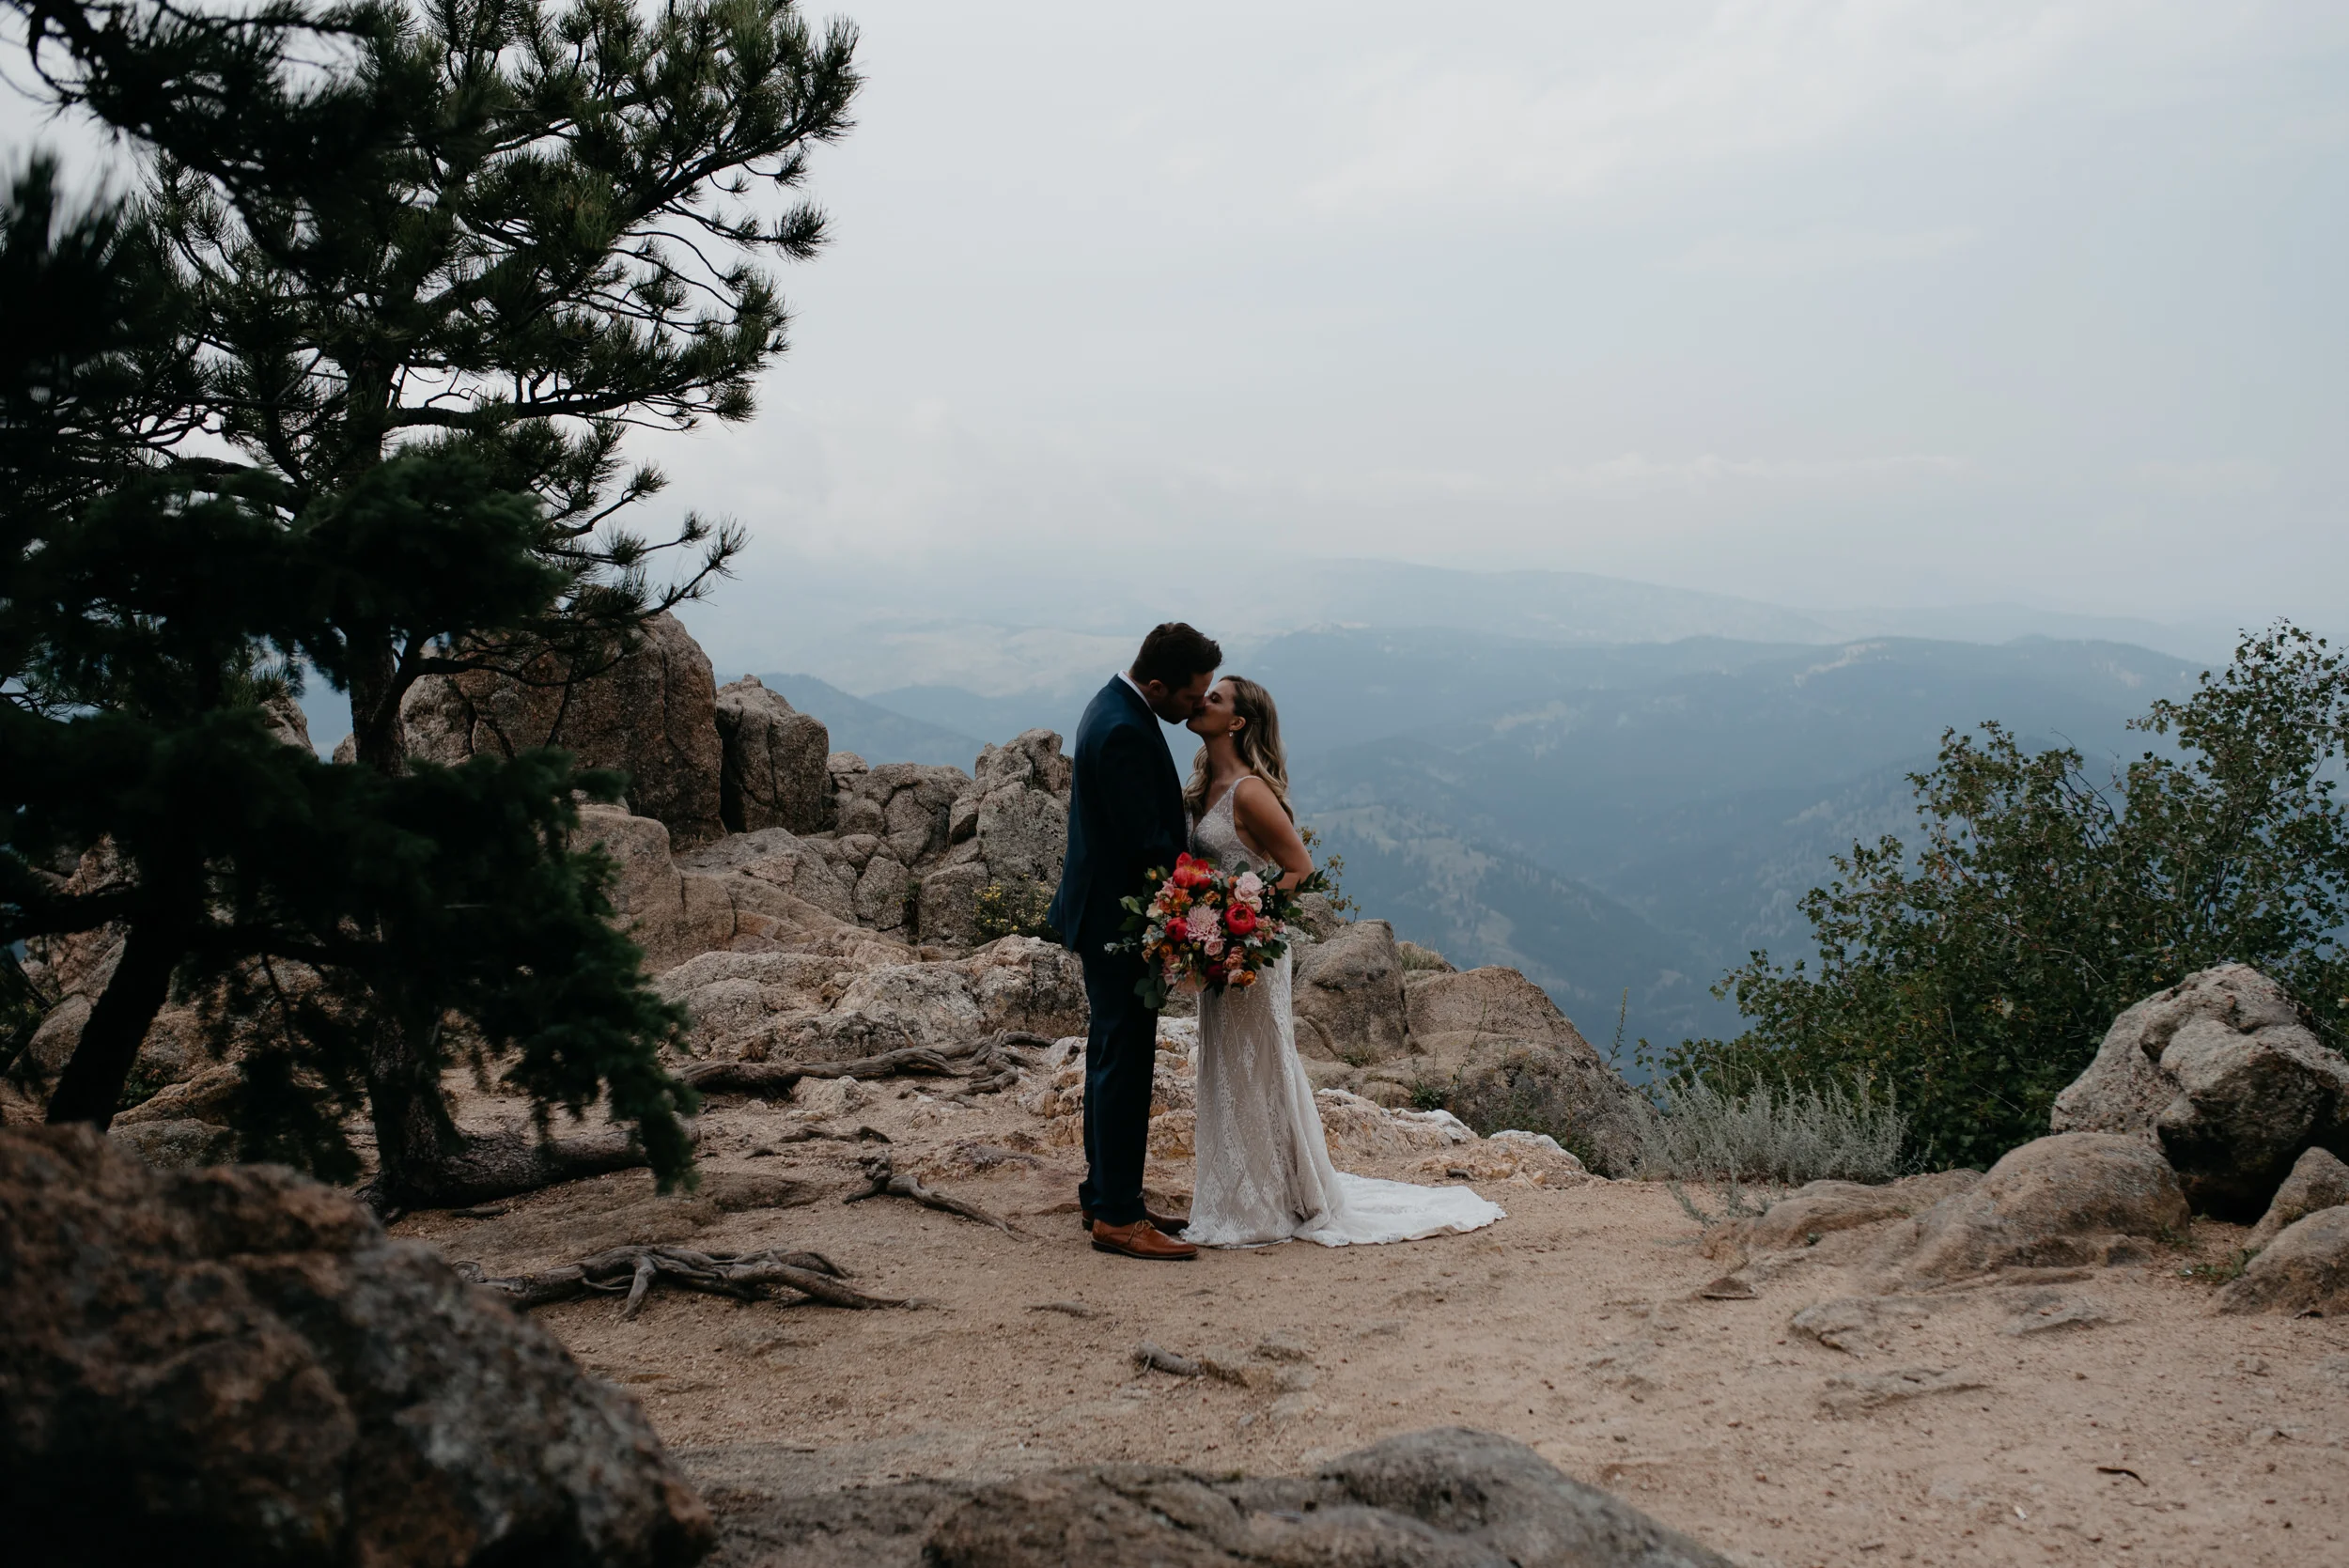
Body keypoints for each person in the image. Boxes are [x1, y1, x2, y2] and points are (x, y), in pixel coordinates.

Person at [1180, 675, 1505, 1248]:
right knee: (1227, 1066)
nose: (1202, 700)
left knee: (1259, 1066)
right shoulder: (1203, 785)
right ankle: (1238, 1193)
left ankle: (1267, 1202)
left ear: (1237, 722)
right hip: (1219, 950)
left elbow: (1299, 868)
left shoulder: (1249, 793)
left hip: (1250, 952)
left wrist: (1244, 921)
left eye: (1216, 698)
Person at [1048, 622, 1221, 1261]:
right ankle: (1118, 1217)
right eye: (1192, 695)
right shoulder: (1123, 728)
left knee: (1110, 1055)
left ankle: (1106, 1194)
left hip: (1102, 915)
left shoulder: (1113, 704)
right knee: (1124, 1062)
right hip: (1115, 924)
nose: (1196, 706)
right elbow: (1147, 842)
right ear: (1157, 683)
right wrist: (1209, 902)